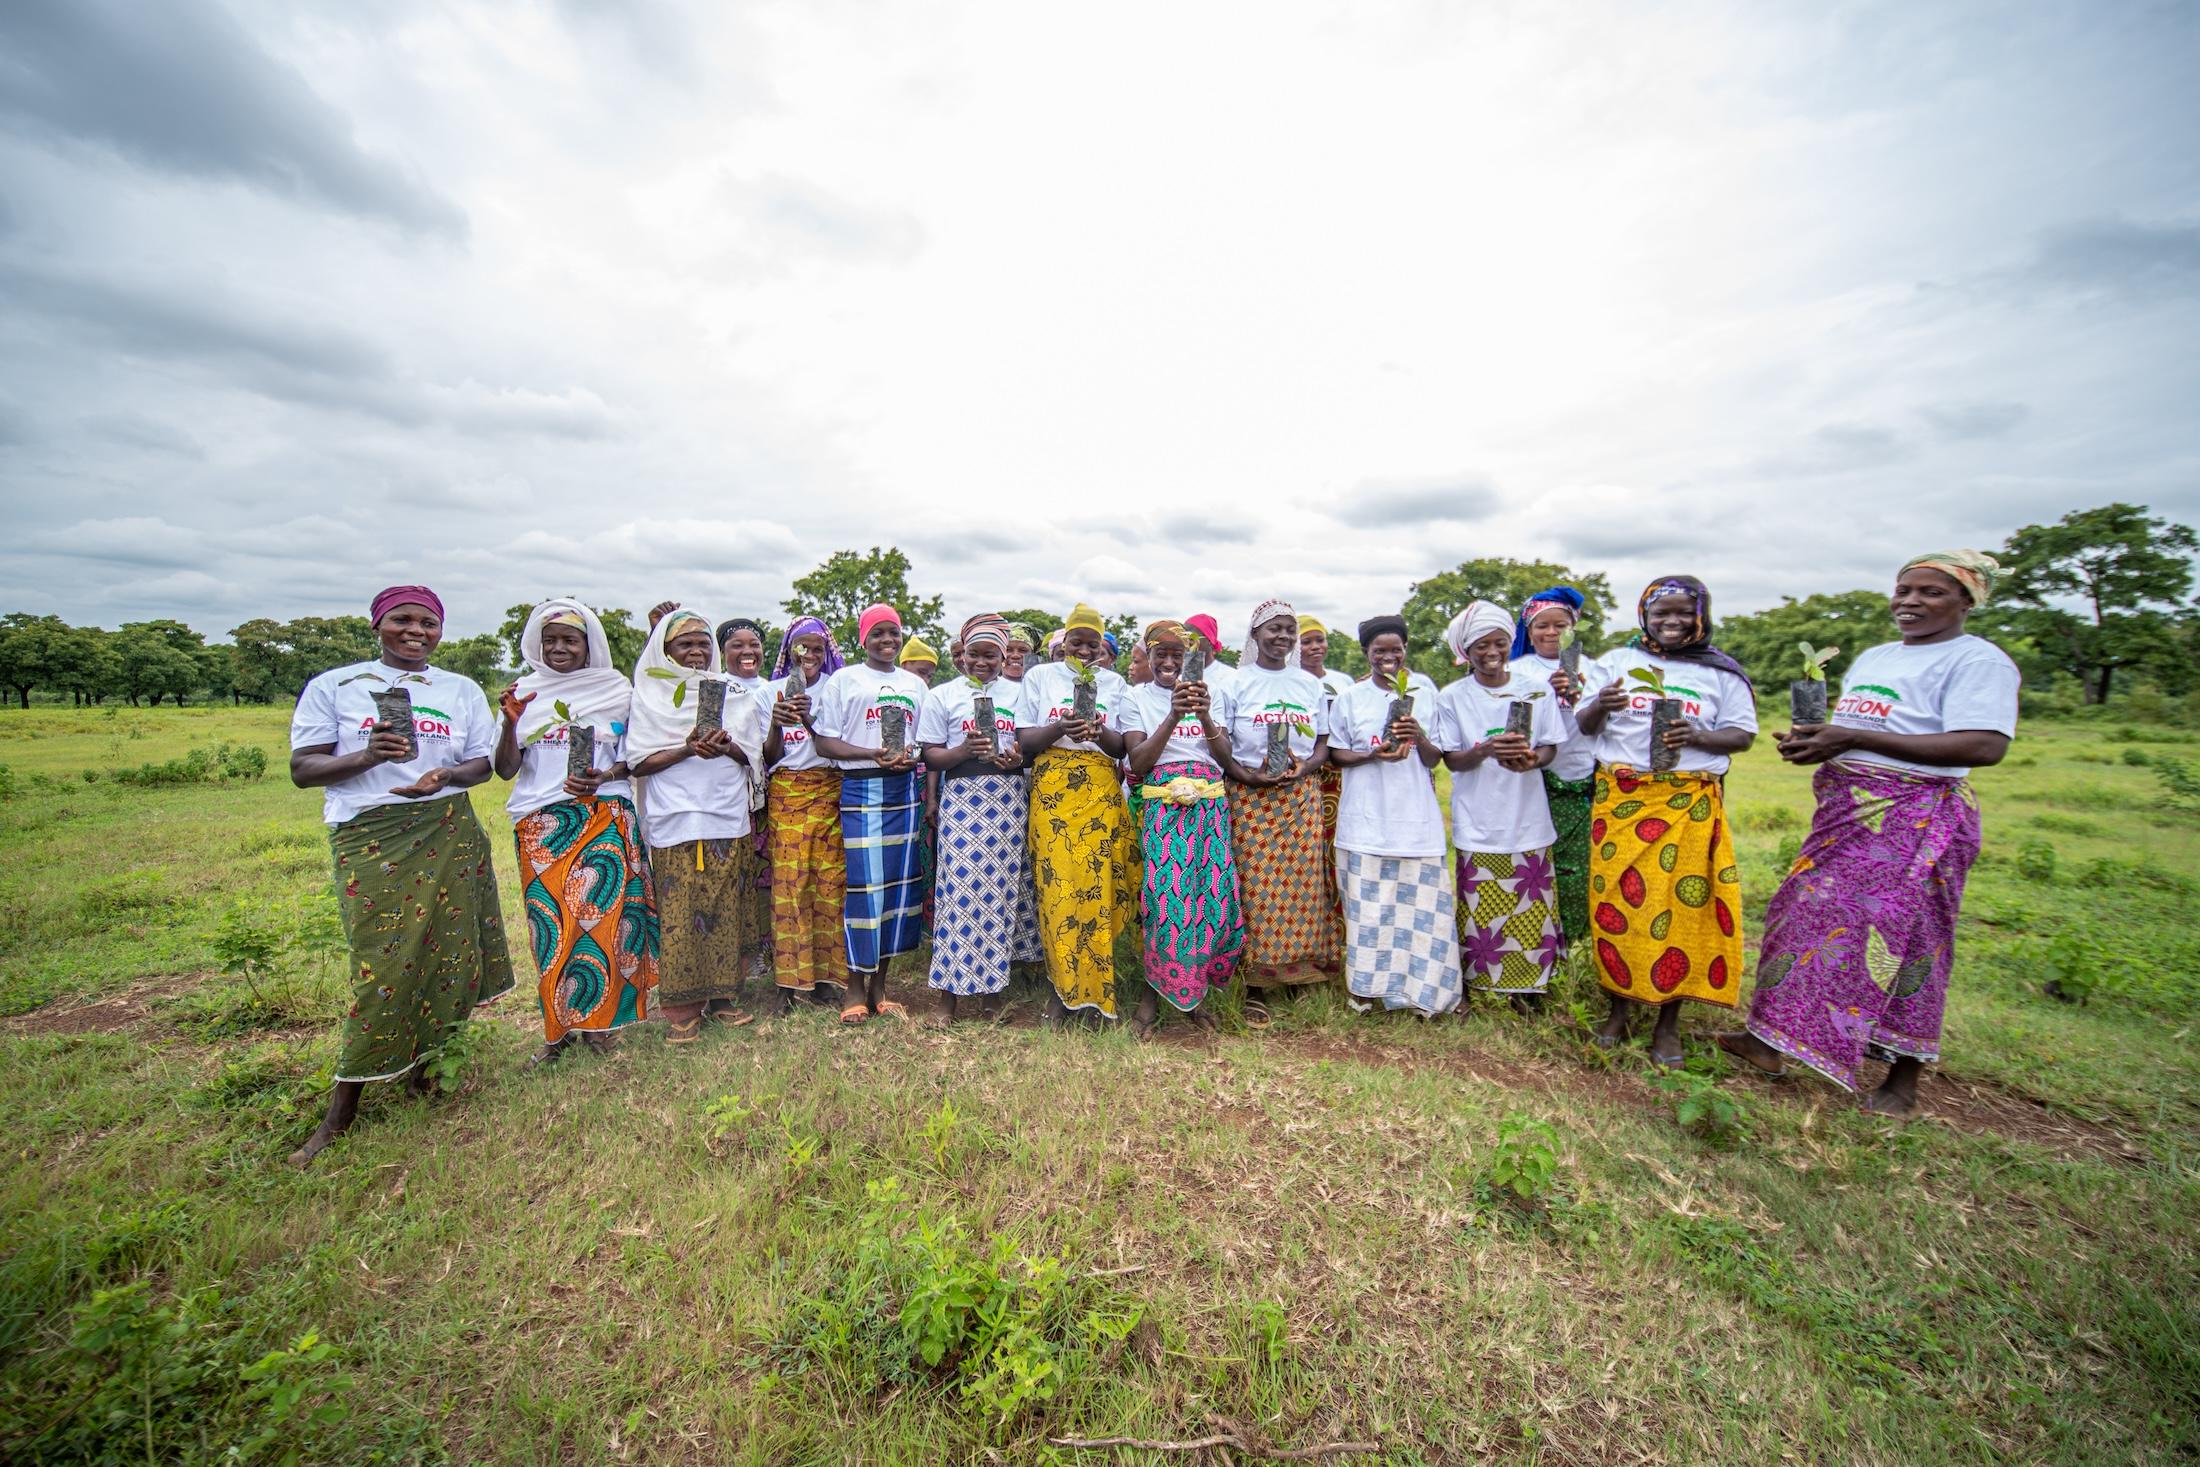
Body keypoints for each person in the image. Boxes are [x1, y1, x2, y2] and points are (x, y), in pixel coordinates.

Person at [1721, 552, 2017, 1116]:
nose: (1910, 601)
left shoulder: (1979, 661)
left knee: (1910, 941)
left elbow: (1984, 746)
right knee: (1800, 915)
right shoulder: (1878, 658)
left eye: (1931, 592)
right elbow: (1861, 733)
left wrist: (1850, 737)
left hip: (1918, 819)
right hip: (1849, 813)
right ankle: (1769, 1041)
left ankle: (1902, 1080)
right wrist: (1818, 743)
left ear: (1966, 601)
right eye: (1904, 589)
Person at [286, 586, 514, 1165]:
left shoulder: (458, 689)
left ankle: (428, 1070)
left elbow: (483, 764)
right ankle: (343, 1110)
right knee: (383, 964)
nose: (416, 632)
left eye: (428, 623)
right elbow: (303, 768)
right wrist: (367, 757)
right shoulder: (336, 685)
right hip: (373, 833)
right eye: (402, 621)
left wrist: (440, 777)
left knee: (450, 953)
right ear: (377, 626)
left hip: (446, 826)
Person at [1574, 576, 1757, 1066]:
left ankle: (1668, 1023)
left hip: (1687, 804)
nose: (1670, 622)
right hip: (1623, 799)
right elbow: (1584, 725)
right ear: (1644, 616)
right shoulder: (1617, 662)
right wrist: (1600, 705)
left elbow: (1741, 736)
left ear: (1700, 616)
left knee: (1681, 911)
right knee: (1617, 906)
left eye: (1681, 613)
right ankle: (1619, 1007)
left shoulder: (1722, 674)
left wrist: (1697, 735)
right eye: (1661, 614)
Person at [493, 599, 658, 1065]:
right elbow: (505, 769)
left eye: (570, 640)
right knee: (550, 927)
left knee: (602, 925)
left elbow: (635, 754)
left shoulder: (615, 689)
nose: (559, 648)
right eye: (551, 640)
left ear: (589, 645)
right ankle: (558, 1028)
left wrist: (604, 777)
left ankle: (602, 1025)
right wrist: (510, 724)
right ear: (537, 644)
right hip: (542, 822)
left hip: (603, 814)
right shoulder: (523, 692)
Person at [629, 610, 768, 1042]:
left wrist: (728, 748)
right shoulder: (650, 695)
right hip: (675, 818)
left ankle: (725, 999)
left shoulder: (731, 693)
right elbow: (638, 760)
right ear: (664, 650)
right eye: (684, 644)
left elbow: (755, 756)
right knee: (680, 912)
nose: (696, 651)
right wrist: (686, 749)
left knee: (726, 908)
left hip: (726, 815)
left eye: (703, 643)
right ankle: (682, 1009)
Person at [1016, 603, 1143, 1025]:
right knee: (1058, 893)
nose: (1084, 651)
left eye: (1093, 644)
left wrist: (1097, 731)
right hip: (1053, 794)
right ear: (1064, 642)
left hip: (1100, 792)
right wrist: (1061, 728)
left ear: (1104, 648)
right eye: (1076, 642)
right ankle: (1063, 991)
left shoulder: (1116, 683)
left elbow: (1122, 746)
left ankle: (1096, 994)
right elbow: (1025, 740)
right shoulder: (1039, 678)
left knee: (1098, 892)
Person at [1328, 615, 1460, 1017]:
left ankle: (1424, 994)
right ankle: (1367, 992)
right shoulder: (1352, 697)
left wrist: (1416, 732)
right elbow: (1335, 753)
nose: (1389, 657)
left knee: (1423, 915)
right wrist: (1371, 753)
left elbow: (1435, 758)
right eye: (1379, 650)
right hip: (1365, 823)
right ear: (1366, 653)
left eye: (1396, 650)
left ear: (1406, 650)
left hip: (1415, 823)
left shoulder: (1423, 690)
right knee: (1370, 911)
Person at [1437, 601, 1566, 1002]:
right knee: (1482, 908)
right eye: (1480, 646)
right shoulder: (1453, 696)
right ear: (1466, 652)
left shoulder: (1535, 689)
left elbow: (1549, 748)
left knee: (1531, 908)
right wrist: (1487, 750)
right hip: (1479, 819)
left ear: (1511, 643)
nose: (1491, 653)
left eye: (1499, 643)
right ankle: (1482, 986)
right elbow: (1451, 758)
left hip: (1528, 817)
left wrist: (1531, 761)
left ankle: (1531, 989)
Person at [809, 603, 930, 1023]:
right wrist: (871, 756)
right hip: (862, 789)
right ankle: (854, 988)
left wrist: (907, 757)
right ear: (864, 638)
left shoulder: (914, 684)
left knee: (897, 891)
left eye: (893, 633)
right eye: (878, 633)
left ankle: (881, 988)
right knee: (864, 889)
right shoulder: (845, 680)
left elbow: (925, 740)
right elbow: (824, 743)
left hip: (904, 791)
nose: (887, 641)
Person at [1217, 600, 1337, 1020]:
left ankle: (1299, 977)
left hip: (1300, 796)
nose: (1283, 636)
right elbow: (1222, 742)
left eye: (1290, 629)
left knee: (1302, 888)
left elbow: (1323, 742)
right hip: (1250, 798)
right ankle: (1256, 985)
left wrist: (1307, 766)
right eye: (1274, 628)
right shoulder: (1236, 682)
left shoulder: (1308, 685)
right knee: (1257, 888)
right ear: (1255, 635)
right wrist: (1245, 775)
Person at [1124, 620, 1244, 1034]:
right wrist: (1174, 714)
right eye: (1162, 653)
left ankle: (1195, 998)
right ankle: (1150, 998)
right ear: (1150, 656)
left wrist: (1205, 713)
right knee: (1165, 902)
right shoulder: (1135, 697)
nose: (1170, 662)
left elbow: (1225, 758)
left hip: (1209, 810)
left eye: (1179, 654)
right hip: (1163, 810)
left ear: (1194, 658)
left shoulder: (1216, 695)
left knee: (1211, 901)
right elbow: (1137, 763)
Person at [916, 614, 1027, 1023]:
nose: (981, 662)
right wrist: (963, 749)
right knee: (956, 895)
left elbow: (1028, 746)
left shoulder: (1019, 693)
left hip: (1008, 798)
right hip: (962, 798)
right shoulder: (943, 695)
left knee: (998, 897)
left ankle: (992, 994)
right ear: (961, 656)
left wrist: (1018, 756)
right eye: (973, 654)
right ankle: (947, 997)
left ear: (1002, 656)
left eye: (990, 655)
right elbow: (931, 755)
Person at [764, 617, 851, 1008]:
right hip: (788, 791)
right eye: (801, 648)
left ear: (827, 651)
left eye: (817, 649)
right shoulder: (771, 692)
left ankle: (828, 980)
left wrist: (809, 719)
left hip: (830, 789)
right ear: (789, 651)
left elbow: (840, 742)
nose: (809, 656)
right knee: (790, 885)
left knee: (830, 883)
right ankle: (789, 983)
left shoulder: (838, 688)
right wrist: (777, 724)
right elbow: (768, 757)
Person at [1506, 587, 1595, 952]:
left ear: (1573, 626)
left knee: (1579, 868)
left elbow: (1602, 724)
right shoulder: (1517, 670)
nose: (1552, 632)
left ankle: (1573, 946)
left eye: (1561, 624)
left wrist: (1581, 696)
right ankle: (1532, 943)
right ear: (1529, 629)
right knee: (1533, 865)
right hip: (1532, 777)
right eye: (1542, 626)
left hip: (1583, 776)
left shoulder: (1593, 669)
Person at [718, 617, 777, 987]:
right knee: (735, 877)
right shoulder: (716, 689)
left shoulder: (772, 690)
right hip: (728, 797)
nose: (747, 652)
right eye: (736, 645)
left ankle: (765, 952)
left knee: (766, 876)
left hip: (770, 797)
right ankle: (739, 953)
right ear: (722, 652)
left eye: (753, 644)